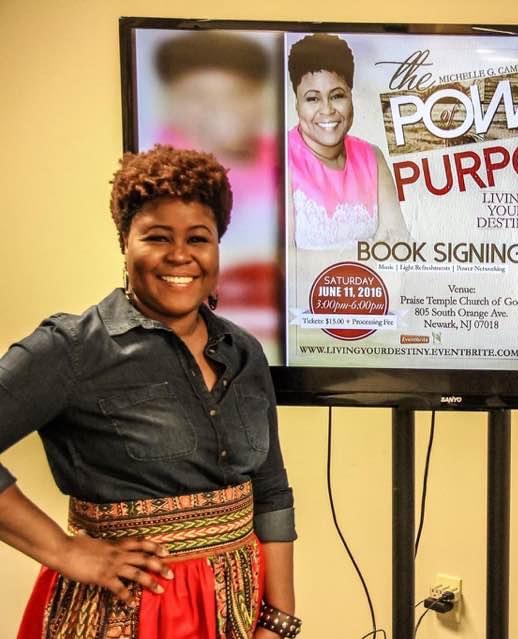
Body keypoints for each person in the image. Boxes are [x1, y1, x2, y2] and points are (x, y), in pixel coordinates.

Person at [0, 146, 301, 639]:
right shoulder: (73, 348)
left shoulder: (243, 352)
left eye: (198, 238)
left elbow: (270, 491)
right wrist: (62, 549)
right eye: (158, 237)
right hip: (124, 615)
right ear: (125, 242)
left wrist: (279, 617)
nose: (180, 255)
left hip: (237, 615)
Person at [152, 31, 283, 358]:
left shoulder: (292, 160)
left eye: (235, 93)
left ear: (260, 100)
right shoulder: (155, 176)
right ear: (172, 101)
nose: (218, 108)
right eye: (198, 96)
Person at [286, 33, 409, 249]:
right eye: (312, 99)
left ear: (351, 96)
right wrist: (364, 254)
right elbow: (286, 260)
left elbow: (398, 245)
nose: (327, 110)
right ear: (297, 104)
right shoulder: (281, 158)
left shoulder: (373, 157)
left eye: (337, 96)